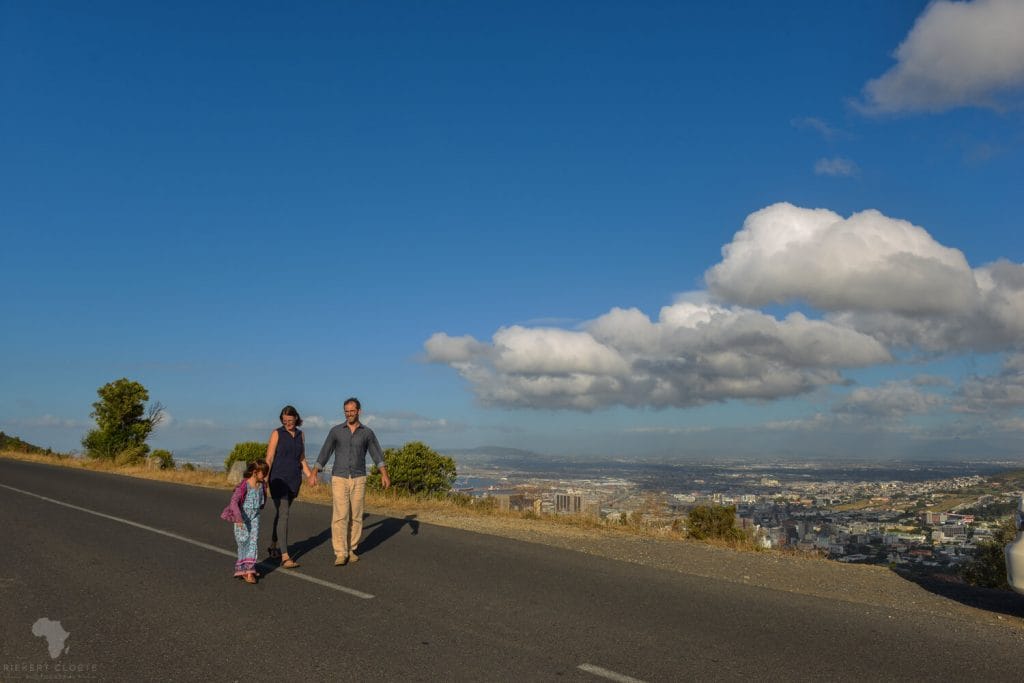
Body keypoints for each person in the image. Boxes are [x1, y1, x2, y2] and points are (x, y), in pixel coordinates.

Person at [308, 397, 391, 566]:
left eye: (352, 411)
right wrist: (314, 472)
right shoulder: (336, 431)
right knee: (340, 515)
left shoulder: (367, 433)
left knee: (357, 516)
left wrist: (384, 474)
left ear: (359, 411)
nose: (349, 414)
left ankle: (351, 549)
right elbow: (325, 452)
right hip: (339, 477)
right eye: (346, 411)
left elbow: (376, 454)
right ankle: (340, 552)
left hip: (359, 477)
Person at [265, 405, 312, 568]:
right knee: (284, 514)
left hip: (293, 480)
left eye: (290, 420)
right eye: (284, 421)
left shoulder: (301, 435)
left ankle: (273, 545)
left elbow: (301, 459)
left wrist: (310, 475)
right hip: (278, 479)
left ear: (296, 419)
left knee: (281, 514)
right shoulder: (277, 433)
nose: (288, 424)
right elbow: (269, 458)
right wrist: (264, 478)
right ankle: (285, 556)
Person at [228, 459, 269, 584]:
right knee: (244, 543)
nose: (265, 476)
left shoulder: (262, 485)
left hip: (255, 517)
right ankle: (244, 569)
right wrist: (238, 518)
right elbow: (233, 502)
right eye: (263, 473)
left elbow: (262, 500)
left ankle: (249, 570)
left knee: (253, 542)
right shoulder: (243, 486)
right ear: (255, 472)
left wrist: (261, 506)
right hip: (242, 519)